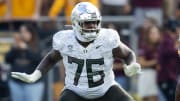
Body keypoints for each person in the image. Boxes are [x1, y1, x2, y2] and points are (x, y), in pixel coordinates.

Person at [11, 2, 141, 101]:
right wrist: (35, 75)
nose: (92, 27)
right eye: (87, 23)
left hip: (105, 89)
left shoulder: (107, 38)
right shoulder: (65, 40)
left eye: (95, 23)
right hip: (75, 92)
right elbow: (51, 58)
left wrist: (130, 65)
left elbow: (128, 54)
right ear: (75, 23)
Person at [5, 24, 44, 101]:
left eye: (25, 32)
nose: (23, 34)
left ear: (31, 33)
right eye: (21, 32)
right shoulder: (16, 46)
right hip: (16, 83)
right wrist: (14, 48)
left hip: (33, 84)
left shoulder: (38, 45)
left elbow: (39, 60)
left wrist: (26, 49)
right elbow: (7, 59)